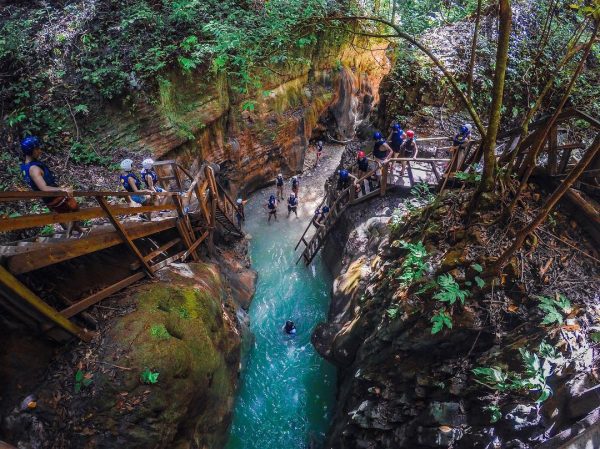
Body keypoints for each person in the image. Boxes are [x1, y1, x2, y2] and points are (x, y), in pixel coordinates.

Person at [20, 136, 83, 237]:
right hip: (53, 197)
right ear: (31, 150)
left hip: (48, 199)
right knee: (74, 209)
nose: (40, 151)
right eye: (37, 149)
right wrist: (62, 189)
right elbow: (44, 188)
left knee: (63, 216)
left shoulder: (25, 167)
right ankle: (68, 236)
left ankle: (79, 232)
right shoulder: (33, 168)